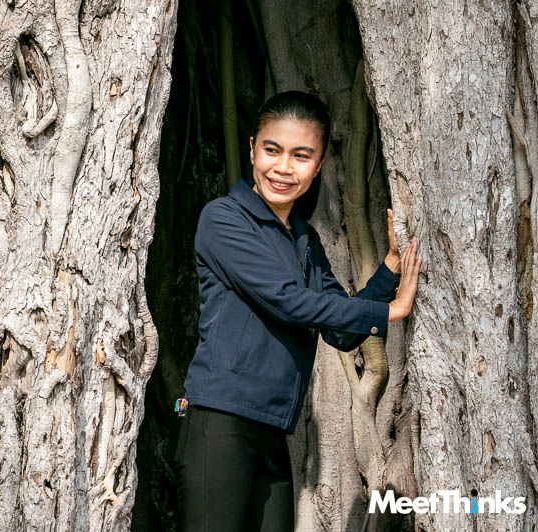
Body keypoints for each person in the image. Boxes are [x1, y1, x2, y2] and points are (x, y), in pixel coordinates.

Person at [173, 91, 422, 531]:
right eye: (272, 150)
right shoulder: (224, 219)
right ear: (253, 149)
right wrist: (390, 312)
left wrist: (389, 271)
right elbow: (287, 300)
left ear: (320, 163)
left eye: (301, 155)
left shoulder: (305, 240)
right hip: (221, 422)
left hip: (273, 430)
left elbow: (342, 330)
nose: (283, 167)